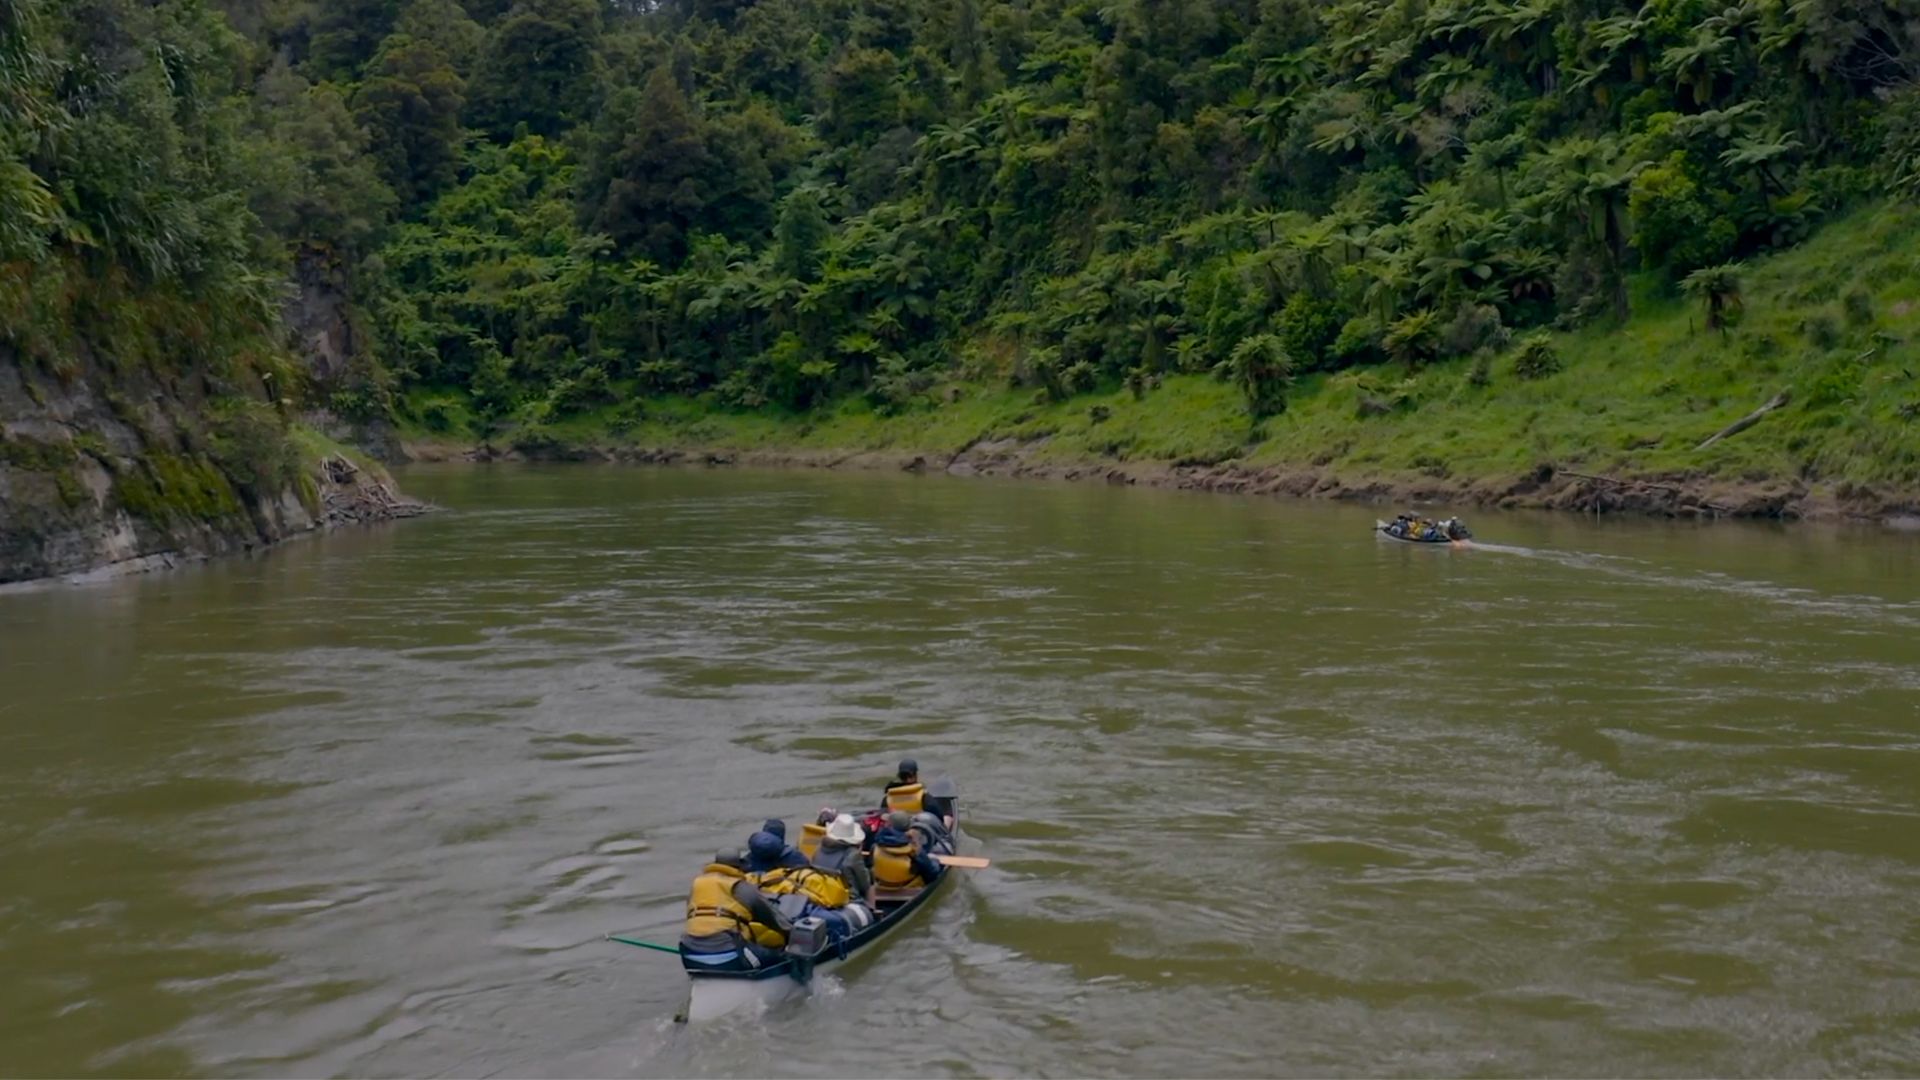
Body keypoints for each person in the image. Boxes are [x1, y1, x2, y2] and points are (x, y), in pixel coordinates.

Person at [680, 848, 792, 972]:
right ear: (739, 866)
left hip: (689, 953)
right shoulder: (740, 886)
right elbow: (772, 918)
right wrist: (791, 935)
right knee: (778, 955)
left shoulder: (697, 884)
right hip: (731, 954)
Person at [811, 812, 875, 905]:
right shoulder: (853, 855)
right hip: (847, 900)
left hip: (821, 894)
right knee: (871, 883)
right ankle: (872, 912)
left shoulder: (818, 849)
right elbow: (865, 884)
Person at [871, 810, 941, 890]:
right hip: (906, 887)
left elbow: (870, 865)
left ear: (889, 825)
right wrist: (935, 861)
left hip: (881, 885)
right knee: (933, 860)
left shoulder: (876, 845)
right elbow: (932, 873)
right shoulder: (913, 850)